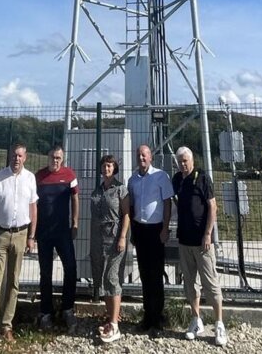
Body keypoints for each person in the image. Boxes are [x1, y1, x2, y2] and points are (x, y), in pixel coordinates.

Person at [0, 144, 38, 351]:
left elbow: (33, 208)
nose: (17, 159)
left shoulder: (30, 179)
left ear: (25, 158)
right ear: (10, 157)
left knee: (13, 282)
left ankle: (6, 326)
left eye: (20, 156)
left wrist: (32, 236)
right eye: (14, 155)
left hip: (21, 234)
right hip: (0, 235)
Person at [171, 146, 228, 346]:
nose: (182, 164)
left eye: (185, 160)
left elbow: (213, 206)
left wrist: (207, 233)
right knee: (190, 284)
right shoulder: (177, 179)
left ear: (192, 160)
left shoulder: (203, 178)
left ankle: (219, 323)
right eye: (180, 161)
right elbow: (177, 203)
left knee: (210, 283)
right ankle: (196, 320)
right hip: (184, 239)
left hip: (202, 241)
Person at [127, 144, 173, 334]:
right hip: (140, 229)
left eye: (144, 155)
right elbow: (131, 205)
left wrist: (165, 228)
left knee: (156, 273)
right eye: (139, 155)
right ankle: (147, 315)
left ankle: (158, 317)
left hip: (156, 230)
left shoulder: (161, 176)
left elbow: (167, 202)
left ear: (150, 157)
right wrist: (132, 231)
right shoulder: (132, 180)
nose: (141, 158)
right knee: (144, 273)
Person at [35, 146, 80, 333]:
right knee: (45, 272)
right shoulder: (39, 176)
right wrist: (33, 232)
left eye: (59, 158)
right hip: (44, 233)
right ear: (48, 157)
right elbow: (33, 204)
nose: (56, 161)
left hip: (62, 232)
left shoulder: (69, 175)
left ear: (63, 158)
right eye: (53, 157)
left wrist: (75, 222)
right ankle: (46, 311)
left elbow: (75, 198)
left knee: (70, 269)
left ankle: (67, 309)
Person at [90, 154, 130, 343]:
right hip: (98, 239)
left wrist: (122, 237)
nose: (106, 169)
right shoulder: (98, 190)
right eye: (104, 166)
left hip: (114, 238)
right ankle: (110, 317)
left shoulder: (121, 189)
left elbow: (127, 214)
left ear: (114, 169)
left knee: (112, 277)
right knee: (102, 277)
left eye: (109, 166)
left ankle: (114, 324)